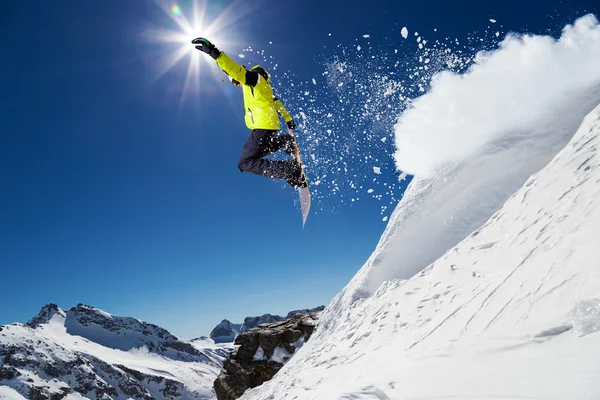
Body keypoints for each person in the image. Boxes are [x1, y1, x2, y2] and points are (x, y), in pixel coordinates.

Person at [192, 37, 307, 188]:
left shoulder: (253, 79)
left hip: (262, 125)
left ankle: (290, 169)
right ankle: (284, 141)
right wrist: (289, 120)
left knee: (245, 162)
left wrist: (215, 53)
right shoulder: (264, 86)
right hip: (269, 125)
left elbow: (236, 70)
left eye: (235, 82)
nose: (237, 85)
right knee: (258, 153)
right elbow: (277, 103)